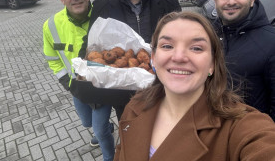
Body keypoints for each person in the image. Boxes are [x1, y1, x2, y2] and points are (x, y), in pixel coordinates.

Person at [114, 11, 275, 161]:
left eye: (196, 48)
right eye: (167, 46)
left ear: (212, 64)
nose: (179, 57)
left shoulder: (241, 127)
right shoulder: (136, 104)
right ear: (154, 58)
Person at [88, 0, 182, 121]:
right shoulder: (100, 7)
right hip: (125, 103)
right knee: (132, 143)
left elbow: (183, 44)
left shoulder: (169, 3)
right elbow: (90, 52)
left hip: (166, 97)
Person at [42, 0, 114, 161]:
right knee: (87, 123)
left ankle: (109, 156)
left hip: (102, 86)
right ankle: (107, 128)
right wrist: (68, 83)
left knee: (98, 130)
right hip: (77, 86)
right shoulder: (50, 25)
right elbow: (52, 58)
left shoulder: (105, 17)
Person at [213, 0, 275, 121]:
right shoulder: (207, 36)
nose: (231, 1)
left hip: (248, 137)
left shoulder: (271, 42)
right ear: (216, 1)